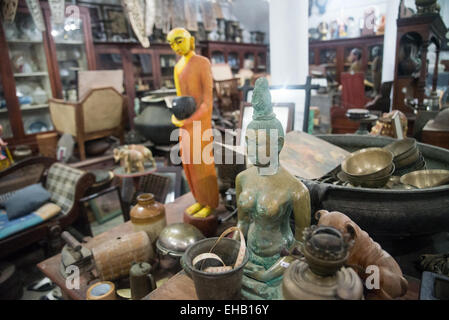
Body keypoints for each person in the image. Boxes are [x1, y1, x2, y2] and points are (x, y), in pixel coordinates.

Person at [167, 28, 219, 218]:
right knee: (188, 163)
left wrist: (191, 120)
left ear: (191, 40)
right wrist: (177, 117)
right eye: (172, 43)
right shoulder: (177, 67)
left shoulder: (202, 63)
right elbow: (180, 99)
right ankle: (199, 199)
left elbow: (207, 101)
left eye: (179, 41)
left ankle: (210, 202)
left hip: (200, 123)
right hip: (185, 124)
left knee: (202, 163)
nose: (176, 47)